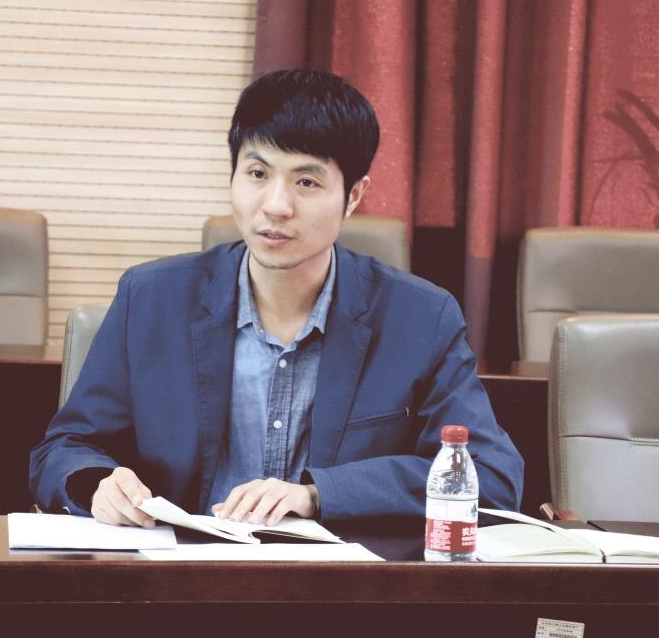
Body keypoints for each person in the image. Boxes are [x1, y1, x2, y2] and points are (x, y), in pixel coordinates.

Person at [30, 69, 523, 528]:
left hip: (338, 584)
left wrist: (319, 494)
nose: (276, 205)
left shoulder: (419, 317)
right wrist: (97, 484)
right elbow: (64, 449)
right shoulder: (152, 299)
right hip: (179, 575)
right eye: (257, 174)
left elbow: (491, 477)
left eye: (306, 182)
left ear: (353, 196)